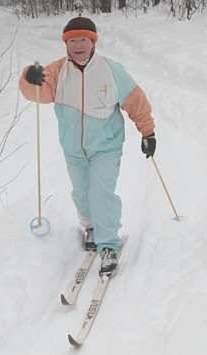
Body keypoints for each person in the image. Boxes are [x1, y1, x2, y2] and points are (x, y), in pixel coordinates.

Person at [19, 16, 156, 276]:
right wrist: (30, 77)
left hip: (106, 145)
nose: (78, 45)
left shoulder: (112, 70)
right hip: (73, 147)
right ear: (66, 44)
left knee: (101, 194)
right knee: (82, 193)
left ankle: (108, 246)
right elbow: (36, 92)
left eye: (83, 39)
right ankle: (91, 226)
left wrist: (147, 132)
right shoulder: (57, 71)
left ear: (93, 42)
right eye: (72, 40)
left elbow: (135, 101)